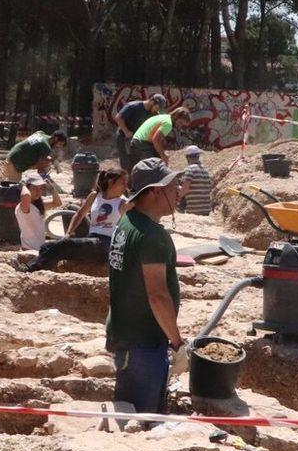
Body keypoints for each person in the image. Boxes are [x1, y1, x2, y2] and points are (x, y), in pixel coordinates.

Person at [106, 159, 189, 414]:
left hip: (126, 335)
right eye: (173, 186)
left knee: (128, 411)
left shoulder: (127, 221)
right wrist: (177, 343)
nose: (179, 192)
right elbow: (157, 296)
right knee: (143, 418)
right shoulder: (152, 236)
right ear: (155, 190)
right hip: (142, 343)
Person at [22, 169, 129, 272]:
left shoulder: (123, 202)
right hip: (93, 240)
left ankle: (29, 268)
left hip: (107, 244)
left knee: (65, 245)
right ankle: (44, 270)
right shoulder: (95, 196)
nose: (126, 187)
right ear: (111, 182)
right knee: (45, 247)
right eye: (122, 183)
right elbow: (80, 214)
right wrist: (68, 232)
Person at [113, 94, 167, 172]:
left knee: (138, 162)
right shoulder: (133, 106)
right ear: (152, 102)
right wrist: (126, 131)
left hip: (138, 139)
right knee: (127, 164)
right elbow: (118, 118)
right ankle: (127, 181)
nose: (157, 110)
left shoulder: (154, 114)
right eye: (157, 107)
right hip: (125, 138)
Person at [16, 171, 61, 251]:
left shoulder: (38, 206)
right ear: (27, 188)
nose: (38, 191)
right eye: (34, 188)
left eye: (40, 188)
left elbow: (57, 203)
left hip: (39, 249)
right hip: (29, 249)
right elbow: (26, 195)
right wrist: (23, 186)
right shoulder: (23, 207)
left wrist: (52, 188)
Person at [179, 145, 213, 215]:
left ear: (187, 158)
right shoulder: (205, 171)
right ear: (198, 157)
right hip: (206, 210)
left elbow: (185, 188)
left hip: (194, 210)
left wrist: (177, 198)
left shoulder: (189, 170)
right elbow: (209, 188)